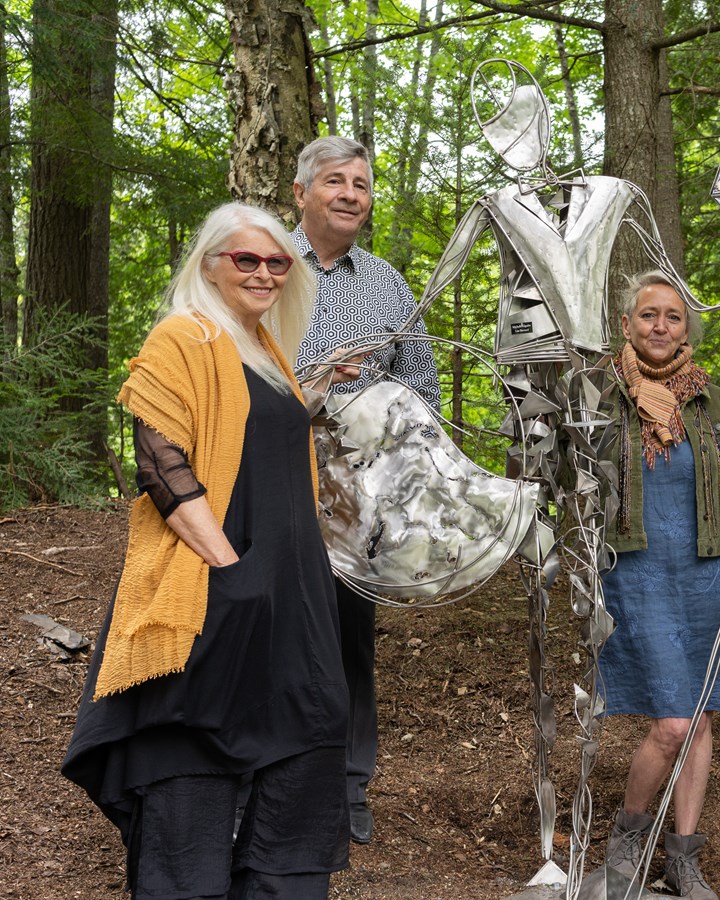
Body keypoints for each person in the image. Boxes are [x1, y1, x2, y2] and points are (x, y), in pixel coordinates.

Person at [62, 203, 349, 898]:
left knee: (307, 747)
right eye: (245, 259)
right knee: (189, 759)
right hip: (219, 587)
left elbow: (253, 435)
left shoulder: (263, 347)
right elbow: (163, 463)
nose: (263, 272)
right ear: (210, 265)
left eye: (277, 261)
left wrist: (313, 391)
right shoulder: (184, 335)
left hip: (293, 597)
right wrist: (232, 572)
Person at [595, 272, 720, 900]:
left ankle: (683, 859)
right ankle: (627, 842)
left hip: (707, 571)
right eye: (648, 315)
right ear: (626, 324)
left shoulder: (712, 402)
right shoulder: (599, 398)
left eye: (673, 316)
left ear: (686, 327)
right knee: (672, 723)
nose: (661, 326)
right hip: (637, 572)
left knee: (698, 721)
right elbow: (566, 485)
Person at [291, 135, 441, 845]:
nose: (352, 194)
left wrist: (383, 416)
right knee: (275, 631)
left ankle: (349, 785)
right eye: (335, 181)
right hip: (274, 479)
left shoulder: (387, 283)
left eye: (361, 183)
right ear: (301, 194)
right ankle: (277, 777)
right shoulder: (263, 264)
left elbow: (423, 386)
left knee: (351, 638)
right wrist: (314, 382)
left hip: (359, 492)